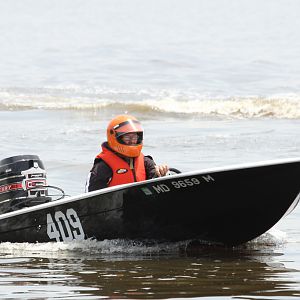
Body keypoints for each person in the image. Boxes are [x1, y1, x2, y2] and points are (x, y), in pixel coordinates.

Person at [87, 114, 169, 192]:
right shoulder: (102, 167)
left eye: (134, 137)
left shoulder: (145, 162)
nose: (132, 141)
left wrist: (162, 172)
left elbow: (156, 182)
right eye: (127, 137)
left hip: (141, 203)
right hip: (115, 205)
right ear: (115, 137)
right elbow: (90, 199)